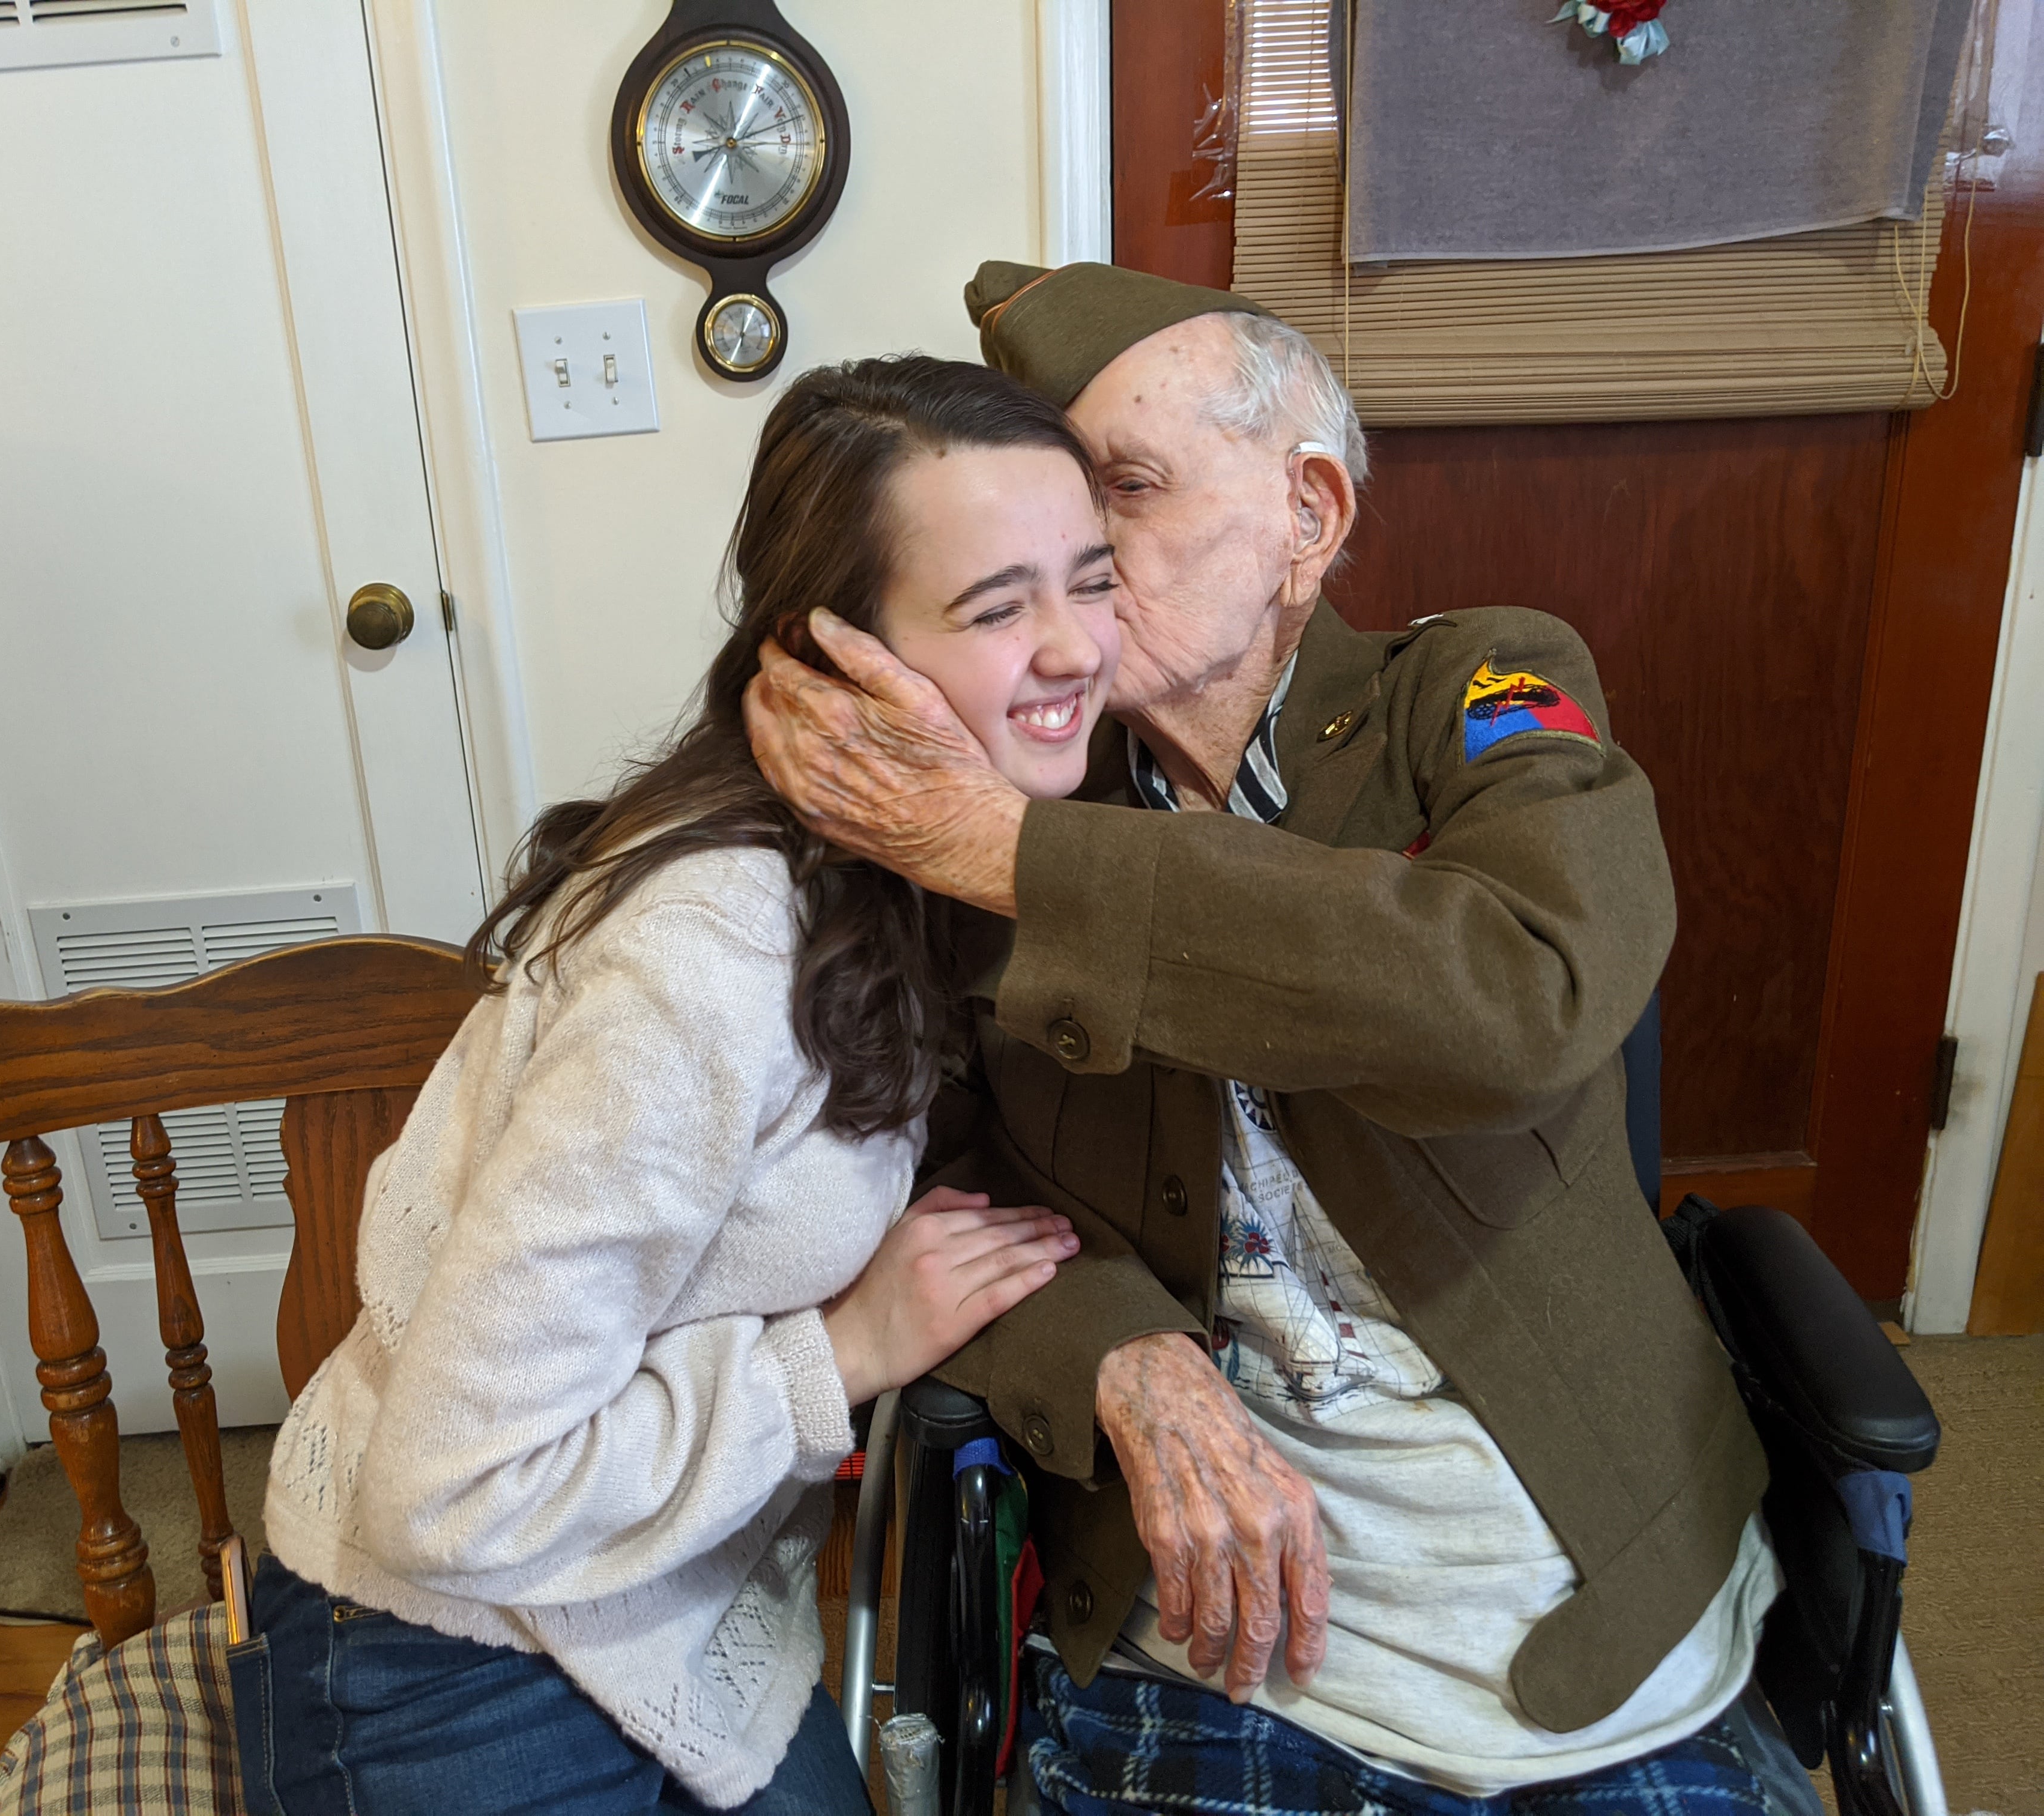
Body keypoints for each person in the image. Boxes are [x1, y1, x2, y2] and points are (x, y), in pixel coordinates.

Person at [746, 263, 1819, 1814]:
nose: (1075, 565)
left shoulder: (1469, 695)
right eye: (1045, 519)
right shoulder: (1003, 792)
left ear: (1309, 515)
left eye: (1125, 490)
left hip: (1573, 1562)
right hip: (1203, 1616)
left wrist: (1015, 863)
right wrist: (1114, 1352)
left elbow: (1525, 998)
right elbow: (937, 1165)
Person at [238, 355, 1123, 1816]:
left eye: (1090, 581)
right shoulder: (709, 955)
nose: (1073, 646)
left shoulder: (929, 868)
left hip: (676, 1617)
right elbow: (451, 1489)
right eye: (994, 606)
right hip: (440, 1647)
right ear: (832, 652)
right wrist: (837, 1355)